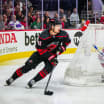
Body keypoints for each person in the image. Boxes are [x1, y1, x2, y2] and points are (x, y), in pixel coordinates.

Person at [5, 19, 71, 88]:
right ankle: (12, 78)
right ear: (52, 26)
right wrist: (51, 57)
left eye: (60, 26)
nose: (59, 28)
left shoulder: (63, 34)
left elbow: (67, 41)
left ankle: (33, 81)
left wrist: (62, 48)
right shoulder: (44, 35)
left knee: (48, 68)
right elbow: (40, 49)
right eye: (57, 26)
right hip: (40, 54)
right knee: (28, 67)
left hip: (52, 55)